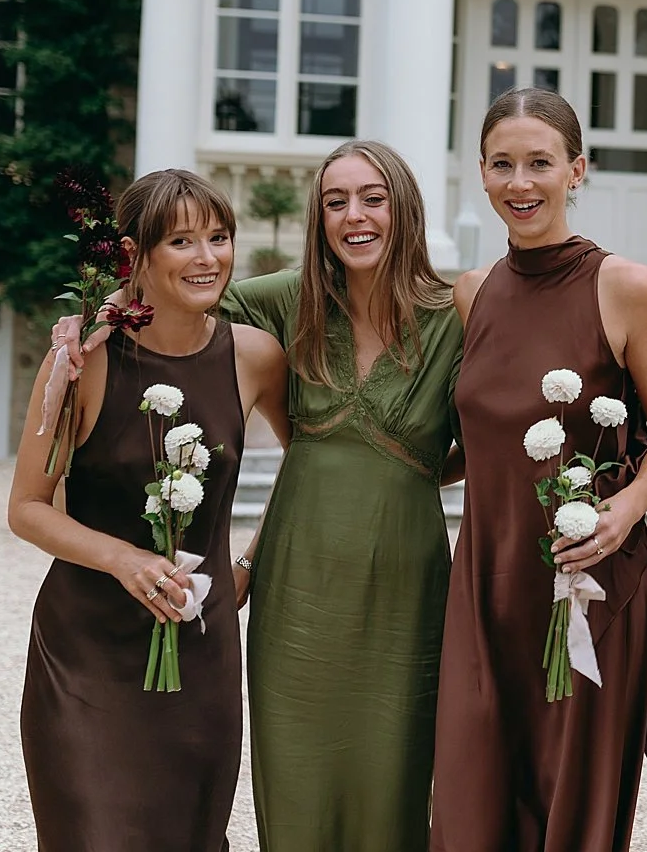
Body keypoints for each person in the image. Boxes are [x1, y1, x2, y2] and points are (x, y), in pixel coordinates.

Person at [50, 140, 464, 850]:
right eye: (336, 202)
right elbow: (178, 294)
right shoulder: (286, 298)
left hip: (406, 578)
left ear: (407, 206)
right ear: (318, 217)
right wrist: (98, 317)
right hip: (295, 582)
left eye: (374, 198)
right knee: (295, 780)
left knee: (393, 782)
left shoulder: (457, 309)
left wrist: (428, 464)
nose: (354, 217)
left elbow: (495, 423)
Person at [11, 169, 288, 850]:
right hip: (85, 654)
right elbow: (26, 508)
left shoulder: (255, 356)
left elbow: (313, 459)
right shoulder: (83, 359)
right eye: (183, 241)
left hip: (201, 650)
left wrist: (248, 561)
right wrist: (123, 557)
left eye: (219, 237)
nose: (208, 258)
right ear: (134, 256)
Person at [431, 87, 647, 852]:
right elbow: (467, 447)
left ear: (578, 170)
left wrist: (625, 510)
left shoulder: (627, 287)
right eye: (503, 164)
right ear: (480, 174)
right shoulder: (470, 295)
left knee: (572, 812)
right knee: (475, 796)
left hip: (589, 583)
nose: (521, 182)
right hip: (488, 581)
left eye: (540, 162)